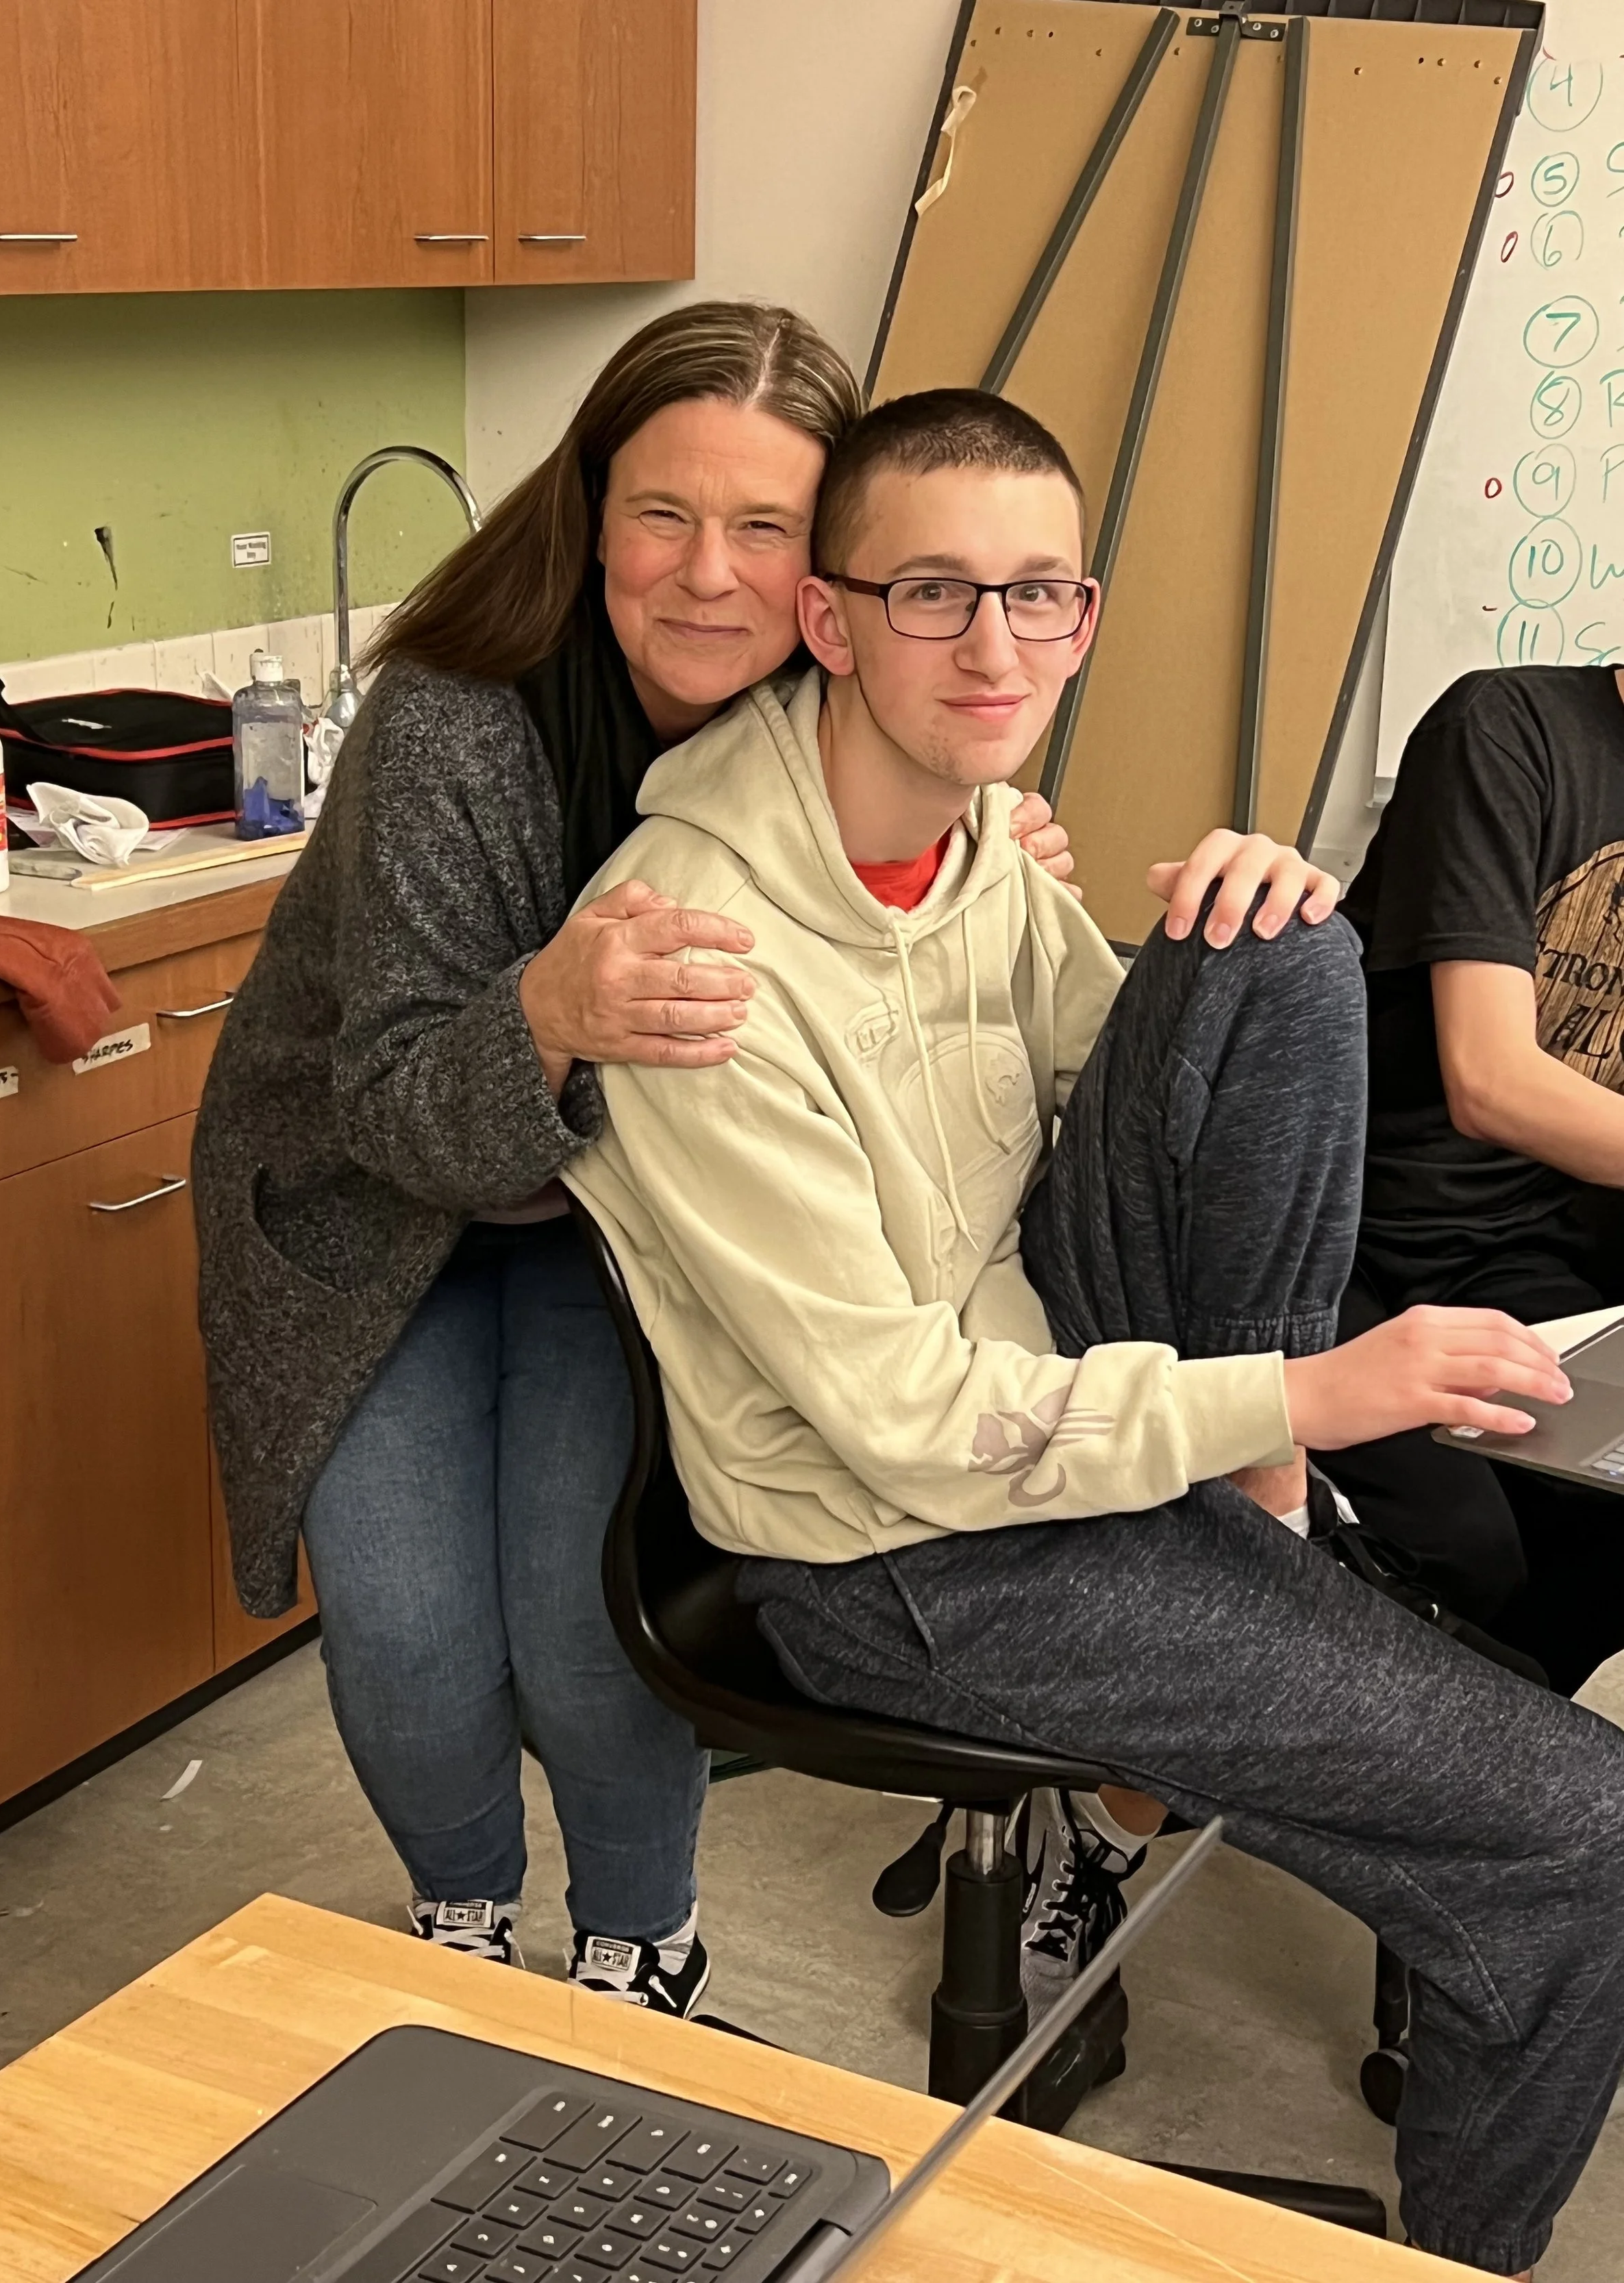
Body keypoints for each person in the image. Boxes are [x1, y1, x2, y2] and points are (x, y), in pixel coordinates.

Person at [562, 388, 1624, 2278]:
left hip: (1072, 1416)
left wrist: (1249, 925)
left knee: (1279, 940)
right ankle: (1472, 2246)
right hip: (898, 1553)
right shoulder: (698, 951)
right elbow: (898, 1421)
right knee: (1584, 1830)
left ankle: (1271, 1525)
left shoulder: (976, 844)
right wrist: (1307, 1383)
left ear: (1086, 613)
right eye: (934, 595)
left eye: (1038, 595)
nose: (994, 648)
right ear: (832, 620)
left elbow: (1115, 1076)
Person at [192, 300, 1129, 2014]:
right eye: (661, 514)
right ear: (590, 510)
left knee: (586, 1614)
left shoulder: (854, 689)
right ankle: (461, 1917)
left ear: (832, 579)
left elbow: (948, 892)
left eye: (765, 528)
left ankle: (642, 1939)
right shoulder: (451, 725)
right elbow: (397, 1104)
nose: (709, 574)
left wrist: (998, 840)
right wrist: (544, 1009)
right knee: (407, 1632)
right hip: (377, 1199)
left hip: (623, 1231)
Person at [1319, 664, 1624, 1695]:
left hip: (1526, 1254)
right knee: (1459, 1548)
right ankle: (1135, 1800)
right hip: (1339, 1235)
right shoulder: (1508, 727)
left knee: (1607, 1522)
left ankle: (1480, 1775)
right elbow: (1491, 1081)